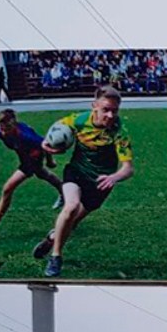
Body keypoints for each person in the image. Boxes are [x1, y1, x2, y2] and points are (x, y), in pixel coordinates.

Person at [36, 85, 134, 278]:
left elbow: (128, 168)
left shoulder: (119, 131)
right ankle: (56, 257)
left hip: (101, 183)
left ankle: (52, 238)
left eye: (114, 110)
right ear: (94, 106)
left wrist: (114, 177)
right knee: (70, 207)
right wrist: (49, 147)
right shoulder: (77, 120)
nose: (110, 115)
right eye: (105, 109)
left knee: (72, 223)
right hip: (77, 172)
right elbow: (52, 136)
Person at [0, 109, 64, 238]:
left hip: (34, 155)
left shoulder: (26, 135)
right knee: (42, 174)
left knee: (7, 188)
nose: (3, 132)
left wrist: (50, 160)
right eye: (1, 128)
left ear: (14, 125)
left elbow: (45, 144)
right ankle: (63, 190)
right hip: (23, 154)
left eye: (6, 129)